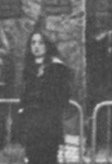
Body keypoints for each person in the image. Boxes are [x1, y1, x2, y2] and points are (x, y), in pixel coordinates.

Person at [17, 30, 71, 164]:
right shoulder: (29, 68)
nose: (36, 46)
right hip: (31, 123)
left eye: (41, 43)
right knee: (32, 157)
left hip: (49, 123)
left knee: (48, 157)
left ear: (47, 45)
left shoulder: (56, 67)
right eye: (33, 43)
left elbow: (63, 96)